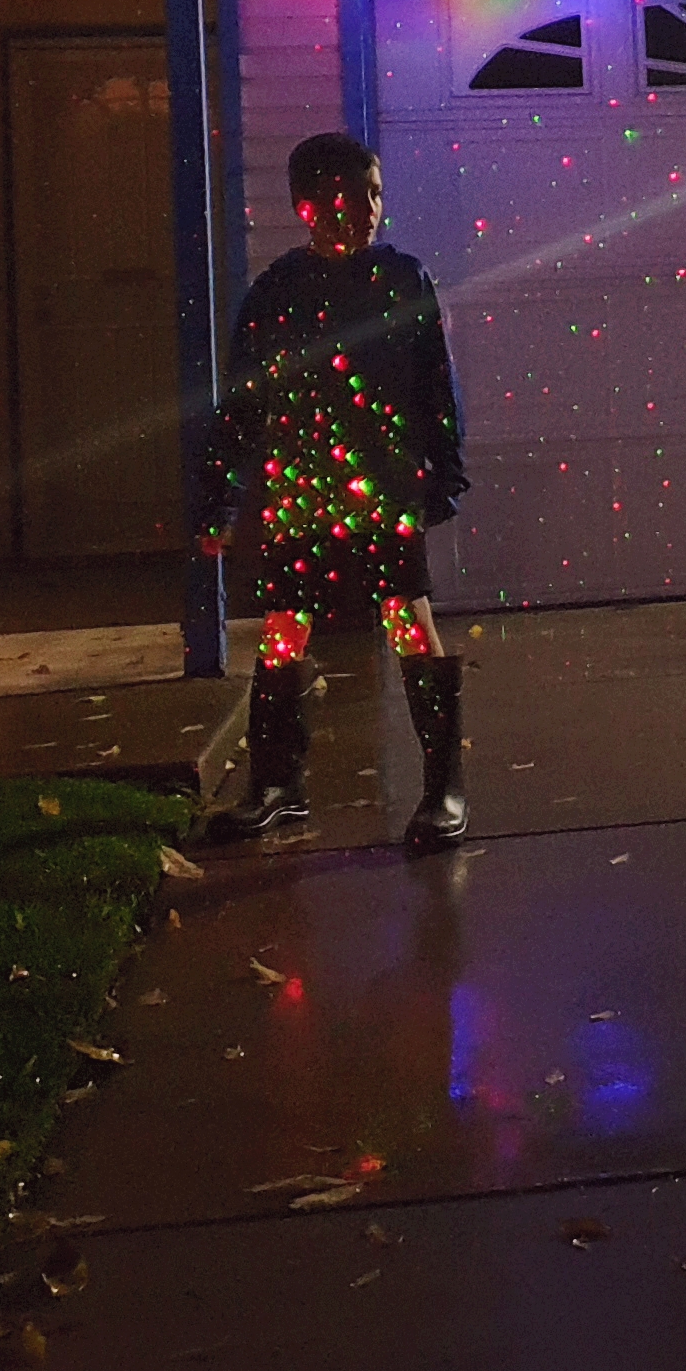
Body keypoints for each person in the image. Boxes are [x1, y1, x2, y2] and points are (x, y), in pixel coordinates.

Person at [195, 131, 472, 852]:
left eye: (376, 193)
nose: (368, 210)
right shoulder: (278, 292)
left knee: (409, 622)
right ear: (307, 207)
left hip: (381, 488)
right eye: (351, 196)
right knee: (284, 632)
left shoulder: (403, 279)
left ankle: (442, 789)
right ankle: (276, 784)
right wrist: (221, 495)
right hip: (301, 492)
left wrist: (443, 467)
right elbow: (245, 401)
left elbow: (433, 381)